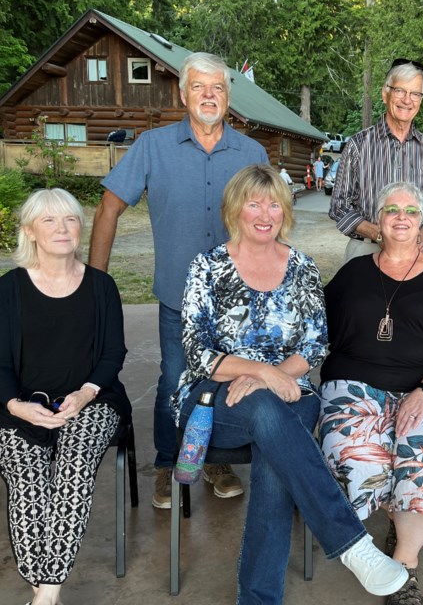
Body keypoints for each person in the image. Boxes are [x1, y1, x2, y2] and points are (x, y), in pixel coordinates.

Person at [175, 165, 408, 604]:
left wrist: (276, 378)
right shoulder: (206, 268)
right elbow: (197, 353)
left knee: (273, 445)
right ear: (234, 209)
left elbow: (316, 345)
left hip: (290, 392)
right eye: (254, 203)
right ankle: (354, 545)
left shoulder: (300, 266)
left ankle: (259, 599)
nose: (266, 213)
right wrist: (263, 374)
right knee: (268, 412)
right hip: (213, 398)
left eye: (275, 204)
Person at [90, 51, 268, 509]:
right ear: (183, 93)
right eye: (200, 87)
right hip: (177, 297)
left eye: (218, 88)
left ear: (229, 96)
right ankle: (168, 465)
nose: (209, 95)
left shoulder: (252, 153)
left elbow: (272, 219)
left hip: (239, 300)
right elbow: (109, 208)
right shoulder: (152, 146)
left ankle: (214, 459)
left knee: (230, 382)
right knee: (174, 382)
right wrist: (95, 283)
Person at [319, 182, 423, 605]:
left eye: (411, 210)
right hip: (356, 383)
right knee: (354, 448)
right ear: (378, 220)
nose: (402, 216)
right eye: (391, 209)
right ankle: (372, 539)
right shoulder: (353, 273)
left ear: (422, 220)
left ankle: (404, 566)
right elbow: (317, 328)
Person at [0, 188, 131, 605]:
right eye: (49, 220)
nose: (62, 229)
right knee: (28, 478)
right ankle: (47, 592)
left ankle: (46, 596)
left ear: (81, 228)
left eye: (70, 219)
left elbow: (113, 354)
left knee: (74, 466)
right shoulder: (7, 289)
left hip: (92, 400)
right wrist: (15, 405)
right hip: (16, 405)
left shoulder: (102, 286)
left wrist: (85, 393)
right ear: (30, 230)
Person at [328, 59, 423, 264]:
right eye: (400, 91)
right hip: (366, 250)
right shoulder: (359, 145)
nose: (407, 100)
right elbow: (339, 206)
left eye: (415, 94)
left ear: (421, 99)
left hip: (414, 254)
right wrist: (377, 233)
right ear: (385, 93)